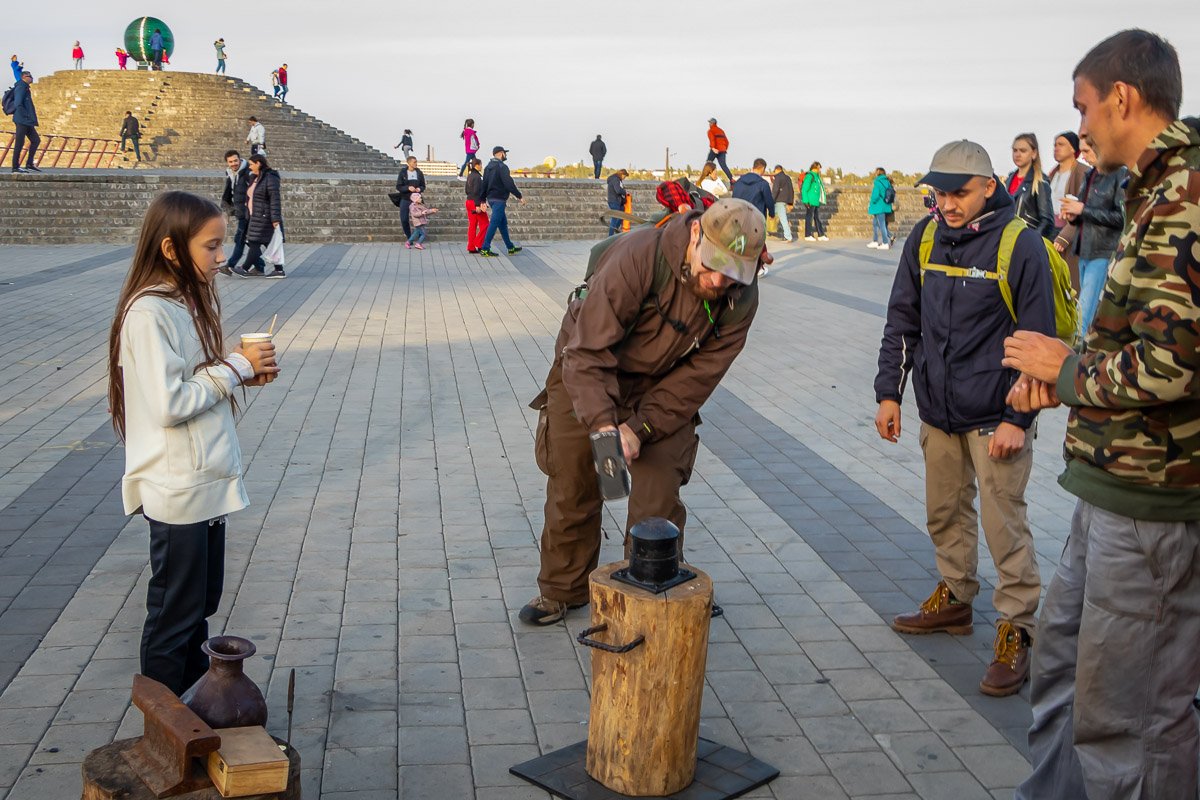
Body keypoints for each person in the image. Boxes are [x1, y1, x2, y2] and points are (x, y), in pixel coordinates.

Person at [1003, 32, 1200, 798]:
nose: (1080, 126)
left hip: (1151, 501)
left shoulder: (1185, 195)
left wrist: (1065, 370)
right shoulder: (1150, 189)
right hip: (1110, 484)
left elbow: (1173, 362)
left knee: (1133, 717)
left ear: (1123, 97)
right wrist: (1064, 379)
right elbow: (1137, 337)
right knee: (1064, 667)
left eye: (1083, 107)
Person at [520, 198, 764, 624]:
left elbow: (697, 379)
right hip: (586, 369)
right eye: (712, 264)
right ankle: (563, 589)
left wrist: (639, 427)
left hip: (662, 388)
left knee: (657, 498)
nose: (717, 280)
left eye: (732, 273)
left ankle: (658, 588)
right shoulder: (638, 257)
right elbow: (588, 353)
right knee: (574, 485)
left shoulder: (739, 299)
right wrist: (604, 427)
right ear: (695, 234)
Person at [875, 139, 1055, 697]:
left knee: (1005, 526)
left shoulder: (1020, 244)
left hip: (995, 417)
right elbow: (902, 318)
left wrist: (1016, 420)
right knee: (944, 512)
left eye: (960, 193)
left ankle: (1018, 629)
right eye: (940, 194)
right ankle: (955, 598)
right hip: (938, 410)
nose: (948, 204)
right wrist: (889, 394)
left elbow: (1037, 340)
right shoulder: (925, 237)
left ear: (989, 187)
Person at [107, 190, 279, 695]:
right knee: (174, 614)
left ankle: (191, 705)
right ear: (170, 248)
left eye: (222, 244)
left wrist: (234, 372)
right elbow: (169, 403)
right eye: (211, 246)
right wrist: (236, 366)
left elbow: (191, 382)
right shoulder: (148, 312)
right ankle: (164, 720)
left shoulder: (180, 303)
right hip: (177, 486)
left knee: (200, 606)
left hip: (202, 482)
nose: (221, 257)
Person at [1057, 140, 1126, 333]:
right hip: (1085, 249)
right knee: (1086, 304)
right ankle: (1083, 342)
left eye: (1086, 151)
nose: (1082, 156)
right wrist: (1074, 217)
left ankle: (1078, 345)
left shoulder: (1119, 174)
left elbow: (1122, 217)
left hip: (1103, 250)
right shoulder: (1090, 174)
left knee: (1086, 307)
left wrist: (1082, 210)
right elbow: (1084, 212)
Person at [1046, 131, 1090, 288]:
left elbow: (1083, 207)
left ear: (1073, 148)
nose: (1056, 148)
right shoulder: (1051, 174)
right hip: (1050, 230)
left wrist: (1065, 236)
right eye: (1055, 145)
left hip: (1070, 231)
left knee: (1070, 280)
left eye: (1061, 144)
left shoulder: (1083, 172)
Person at [233, 154, 285, 279]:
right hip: (255, 216)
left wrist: (275, 219)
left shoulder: (270, 178)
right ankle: (279, 270)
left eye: (251, 164)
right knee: (267, 242)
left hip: (265, 216)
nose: (250, 167)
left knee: (254, 242)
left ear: (259, 163)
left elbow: (275, 199)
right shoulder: (254, 178)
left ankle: (244, 268)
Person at [1005, 133, 1055, 238]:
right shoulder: (1009, 179)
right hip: (1009, 238)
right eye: (1015, 150)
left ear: (1034, 153)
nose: (1017, 154)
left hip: (1027, 239)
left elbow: (1047, 221)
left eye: (1023, 151)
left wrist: (1032, 240)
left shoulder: (1040, 181)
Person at [479, 146, 524, 257]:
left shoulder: (488, 167)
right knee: (494, 223)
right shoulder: (502, 167)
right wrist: (519, 196)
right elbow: (509, 183)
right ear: (500, 153)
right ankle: (485, 248)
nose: (506, 155)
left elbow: (484, 184)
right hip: (499, 199)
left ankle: (510, 247)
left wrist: (482, 200)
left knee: (503, 224)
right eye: (504, 153)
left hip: (491, 199)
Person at [219, 150, 252, 275]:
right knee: (248, 241)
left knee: (240, 239)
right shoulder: (231, 173)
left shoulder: (248, 173)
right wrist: (226, 209)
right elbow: (228, 193)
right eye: (230, 162)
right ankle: (260, 266)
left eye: (235, 161)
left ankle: (230, 265)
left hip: (248, 213)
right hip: (240, 212)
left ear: (240, 159)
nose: (233, 164)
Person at [10, 70, 41, 174]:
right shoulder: (21, 87)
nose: (32, 78)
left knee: (36, 140)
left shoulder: (25, 87)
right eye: (29, 76)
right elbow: (18, 103)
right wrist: (26, 115)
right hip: (22, 120)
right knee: (19, 143)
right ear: (24, 77)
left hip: (27, 121)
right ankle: (15, 167)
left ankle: (29, 164)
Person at [395, 155, 426, 240]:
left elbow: (423, 186)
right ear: (409, 163)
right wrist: (408, 188)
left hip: (417, 199)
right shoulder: (403, 172)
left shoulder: (419, 172)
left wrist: (420, 189)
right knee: (404, 219)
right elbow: (398, 186)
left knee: (420, 219)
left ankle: (420, 237)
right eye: (414, 162)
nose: (416, 163)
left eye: (416, 162)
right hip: (405, 198)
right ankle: (409, 237)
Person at [464, 157, 488, 254]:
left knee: (472, 225)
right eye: (481, 165)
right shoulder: (478, 177)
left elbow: (467, 190)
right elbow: (477, 191)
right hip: (475, 202)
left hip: (469, 201)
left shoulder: (470, 175)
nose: (482, 166)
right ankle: (478, 242)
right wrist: (478, 205)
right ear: (477, 165)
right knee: (485, 224)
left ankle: (471, 247)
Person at [867, 167, 894, 249]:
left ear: (877, 173)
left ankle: (885, 243)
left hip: (878, 207)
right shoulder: (887, 182)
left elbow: (875, 196)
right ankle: (875, 241)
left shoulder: (877, 182)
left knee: (881, 225)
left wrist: (872, 202)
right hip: (886, 206)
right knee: (875, 224)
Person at [801, 162, 828, 241]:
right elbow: (804, 189)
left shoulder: (817, 177)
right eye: (818, 168)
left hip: (816, 201)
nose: (819, 170)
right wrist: (805, 201)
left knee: (817, 218)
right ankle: (808, 235)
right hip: (810, 201)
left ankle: (821, 235)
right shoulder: (810, 176)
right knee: (809, 218)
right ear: (814, 168)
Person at [770, 164, 795, 243]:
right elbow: (791, 190)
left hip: (778, 201)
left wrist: (771, 201)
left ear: (776, 170)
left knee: (782, 218)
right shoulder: (787, 178)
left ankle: (788, 237)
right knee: (774, 216)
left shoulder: (778, 177)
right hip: (785, 201)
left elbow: (775, 190)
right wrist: (790, 203)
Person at [605, 168, 628, 237]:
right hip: (614, 201)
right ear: (622, 174)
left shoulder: (616, 179)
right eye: (624, 176)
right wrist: (625, 192)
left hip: (616, 201)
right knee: (614, 219)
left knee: (622, 213)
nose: (624, 178)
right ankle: (610, 236)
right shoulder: (616, 179)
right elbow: (618, 190)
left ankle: (615, 229)